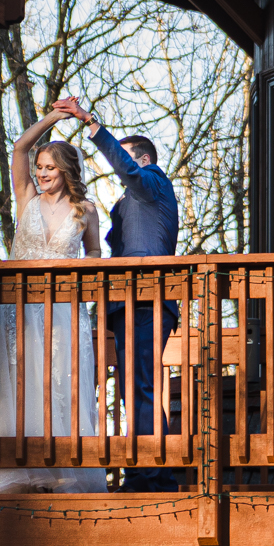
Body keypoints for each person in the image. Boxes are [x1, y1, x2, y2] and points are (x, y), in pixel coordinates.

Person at [0, 104, 108, 494]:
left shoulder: (85, 210)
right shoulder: (26, 198)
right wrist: (54, 119)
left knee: (59, 381)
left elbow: (96, 254)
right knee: (17, 382)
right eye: (40, 167)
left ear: (66, 171)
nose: (42, 173)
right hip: (20, 308)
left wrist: (82, 273)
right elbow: (19, 149)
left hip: (65, 309)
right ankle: (12, 471)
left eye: (50, 168)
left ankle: (61, 472)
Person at [55, 96, 181, 491]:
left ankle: (151, 475)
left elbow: (127, 170)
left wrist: (91, 123)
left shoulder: (153, 182)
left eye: (128, 160)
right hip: (129, 302)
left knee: (140, 385)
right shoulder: (136, 199)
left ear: (143, 160)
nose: (122, 169)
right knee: (133, 387)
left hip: (146, 298)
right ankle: (148, 469)